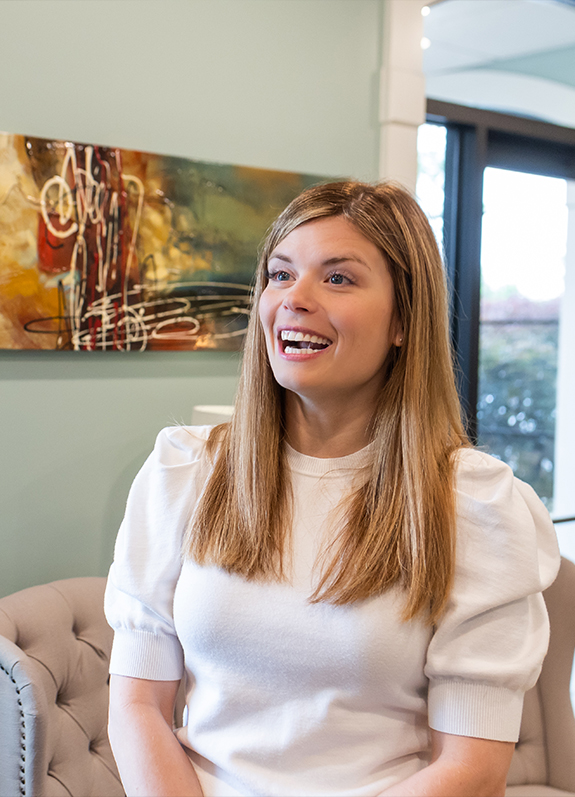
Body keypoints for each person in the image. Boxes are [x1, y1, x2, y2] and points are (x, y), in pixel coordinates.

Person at [104, 180, 560, 797]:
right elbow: (138, 708)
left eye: (338, 279)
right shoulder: (185, 472)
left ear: (404, 319)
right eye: (280, 274)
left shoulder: (470, 505)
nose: (294, 299)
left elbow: (472, 769)